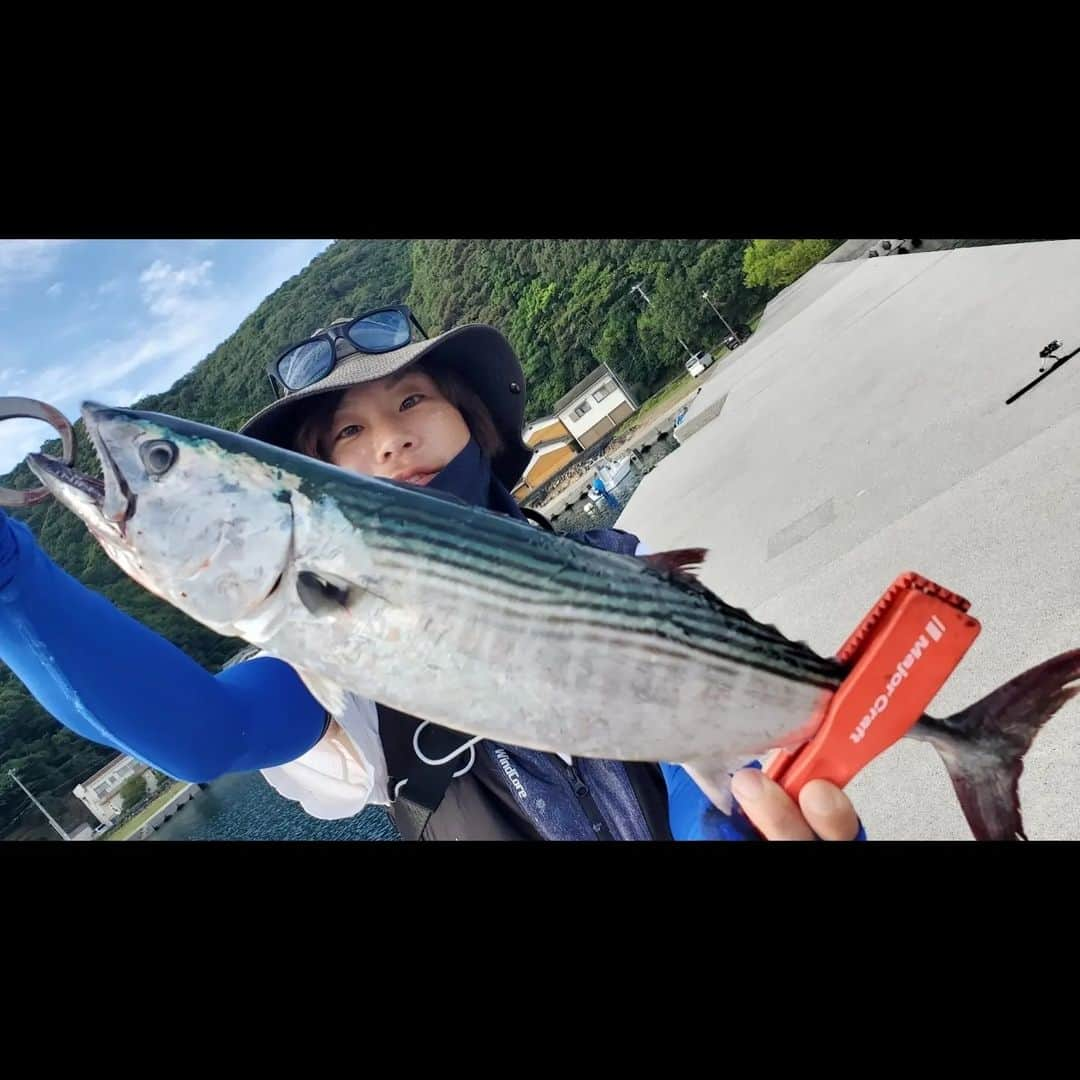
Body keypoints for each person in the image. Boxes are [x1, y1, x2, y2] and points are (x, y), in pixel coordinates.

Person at [0, 307, 864, 841]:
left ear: (473, 418)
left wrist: (735, 815)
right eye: (345, 435)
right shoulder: (334, 666)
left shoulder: (612, 570)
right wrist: (12, 583)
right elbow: (210, 733)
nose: (388, 439)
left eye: (412, 400)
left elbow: (692, 736)